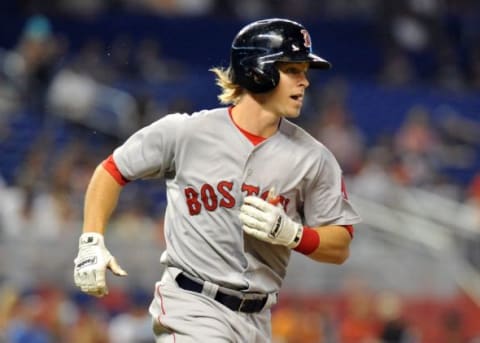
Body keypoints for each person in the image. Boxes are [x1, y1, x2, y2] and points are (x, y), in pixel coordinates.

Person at [73, 18, 361, 342]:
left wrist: (294, 234)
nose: (305, 81)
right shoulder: (186, 133)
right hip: (191, 307)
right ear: (257, 70)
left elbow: (340, 245)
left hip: (258, 321)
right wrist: (91, 241)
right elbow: (111, 171)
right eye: (293, 70)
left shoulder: (314, 158)